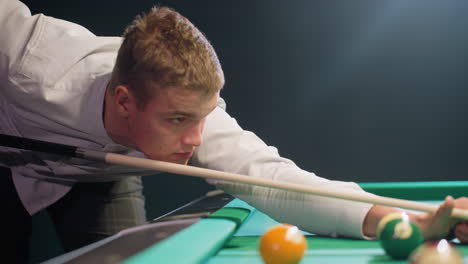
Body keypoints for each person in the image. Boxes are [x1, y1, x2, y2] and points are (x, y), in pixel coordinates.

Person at [0, 0, 467, 263]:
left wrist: (406, 221)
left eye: (201, 118)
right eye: (179, 120)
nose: (196, 140)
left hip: (94, 183)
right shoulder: (24, 62)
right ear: (125, 100)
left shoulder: (196, 118)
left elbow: (273, 178)